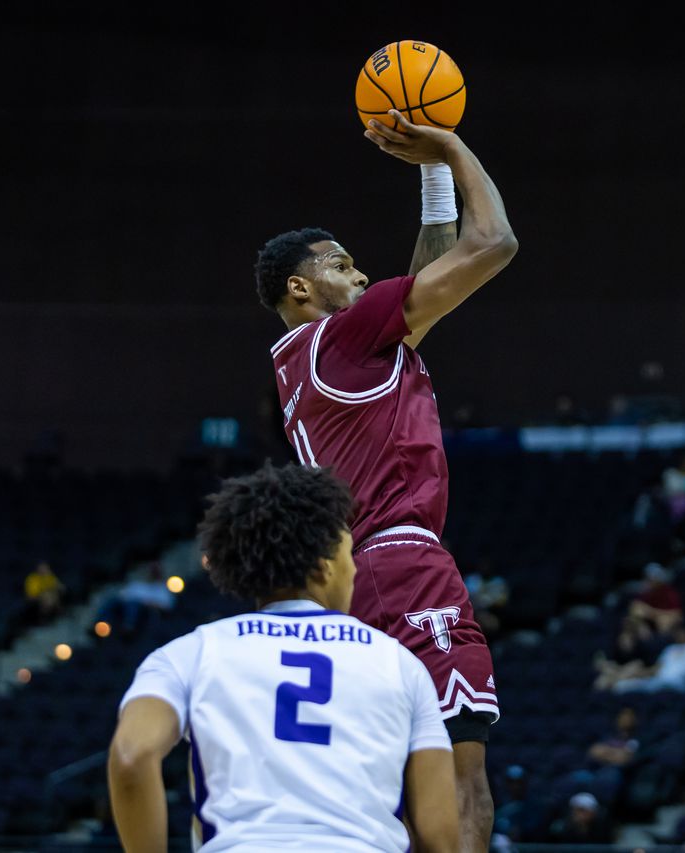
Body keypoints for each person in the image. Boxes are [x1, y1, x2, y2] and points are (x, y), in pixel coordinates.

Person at [256, 108, 517, 850]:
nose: (362, 273)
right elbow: (493, 244)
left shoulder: (318, 357)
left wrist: (432, 177)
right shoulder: (343, 334)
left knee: (397, 793)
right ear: (301, 288)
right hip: (404, 567)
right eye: (341, 265)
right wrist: (455, 145)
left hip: (356, 580)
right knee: (461, 782)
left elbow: (427, 277)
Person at [108, 464, 458, 852]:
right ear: (324, 568)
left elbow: (131, 756)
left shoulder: (190, 653)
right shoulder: (400, 663)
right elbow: (439, 835)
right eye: (348, 554)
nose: (356, 567)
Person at [596, 623, 685, 694]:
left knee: (663, 682)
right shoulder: (670, 649)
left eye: (682, 632)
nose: (679, 635)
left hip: (682, 683)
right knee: (621, 687)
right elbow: (656, 669)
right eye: (677, 633)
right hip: (658, 681)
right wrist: (636, 674)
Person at [547, 792, 614, 844]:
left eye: (583, 810)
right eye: (576, 810)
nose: (579, 814)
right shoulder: (560, 828)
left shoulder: (603, 828)